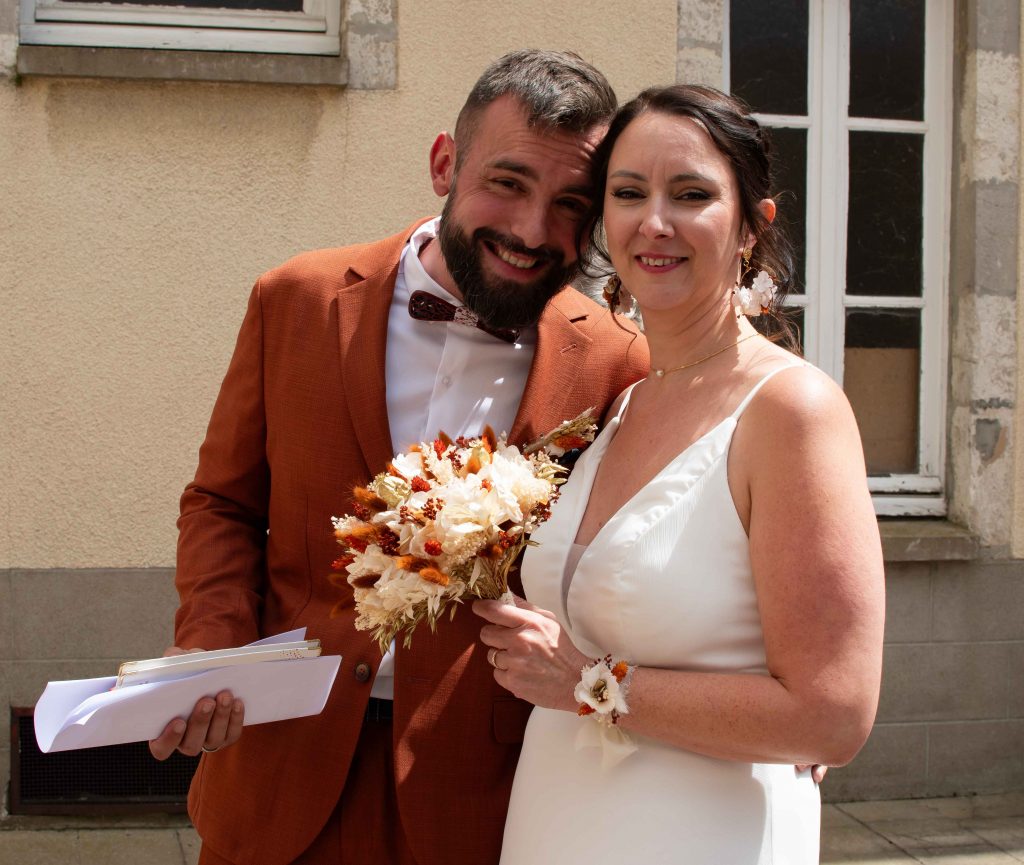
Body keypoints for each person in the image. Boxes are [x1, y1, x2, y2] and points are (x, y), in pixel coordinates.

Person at [149, 51, 649, 865]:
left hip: (480, 794)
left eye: (570, 205)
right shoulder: (296, 298)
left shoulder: (615, 362)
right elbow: (223, 501)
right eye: (508, 182)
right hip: (279, 767)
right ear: (444, 162)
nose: (532, 232)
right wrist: (211, 640)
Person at [474, 84, 885, 864]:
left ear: (751, 229)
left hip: (702, 833)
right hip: (557, 818)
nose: (653, 222)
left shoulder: (792, 410)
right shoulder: (623, 404)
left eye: (690, 194)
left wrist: (590, 684)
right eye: (628, 194)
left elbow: (832, 715)